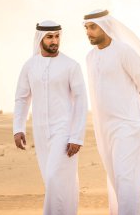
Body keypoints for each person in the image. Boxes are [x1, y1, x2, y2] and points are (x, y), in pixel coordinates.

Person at [13, 20, 88, 215]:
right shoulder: (29, 66)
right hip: (40, 131)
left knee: (55, 178)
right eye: (50, 37)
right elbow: (22, 98)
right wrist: (18, 127)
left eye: (57, 36)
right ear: (40, 39)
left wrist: (76, 137)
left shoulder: (71, 65)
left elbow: (81, 102)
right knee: (53, 182)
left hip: (64, 131)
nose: (55, 41)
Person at [83, 9, 140, 215]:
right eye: (86, 27)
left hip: (128, 125)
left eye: (93, 27)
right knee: (115, 179)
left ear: (106, 26)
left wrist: (138, 112)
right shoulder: (89, 57)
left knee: (126, 178)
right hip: (104, 128)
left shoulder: (124, 51)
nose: (89, 31)